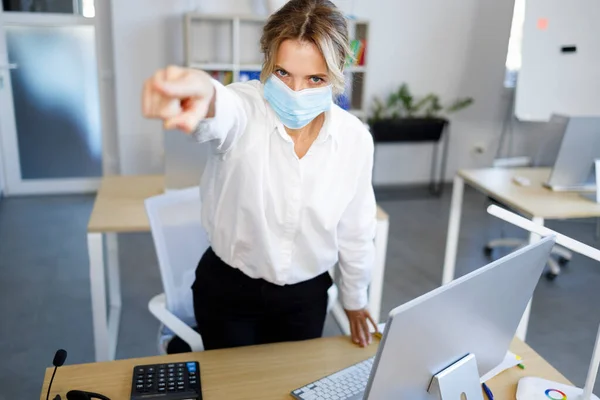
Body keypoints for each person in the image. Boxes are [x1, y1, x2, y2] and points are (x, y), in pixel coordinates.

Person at [142, 0, 377, 350]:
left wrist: (355, 298)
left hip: (306, 297)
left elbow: (356, 229)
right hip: (229, 292)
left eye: (315, 78)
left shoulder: (354, 138)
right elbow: (219, 108)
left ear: (337, 73)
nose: (296, 93)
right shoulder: (244, 108)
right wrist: (200, 92)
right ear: (267, 61)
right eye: (283, 73)